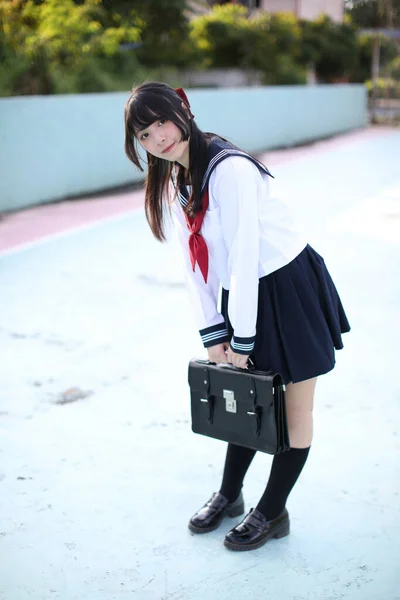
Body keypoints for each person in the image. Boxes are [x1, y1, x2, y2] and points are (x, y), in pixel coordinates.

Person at [124, 81, 350, 552]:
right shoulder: (179, 178)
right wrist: (214, 332)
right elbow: (195, 262)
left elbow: (246, 255)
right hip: (241, 293)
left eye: (162, 121)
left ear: (183, 110)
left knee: (293, 407)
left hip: (287, 286)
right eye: (144, 134)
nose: (158, 137)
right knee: (246, 398)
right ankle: (230, 494)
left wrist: (242, 339)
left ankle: (273, 509)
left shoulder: (231, 172)